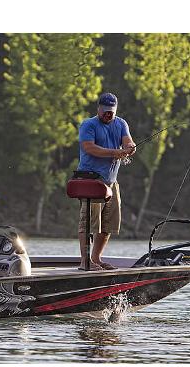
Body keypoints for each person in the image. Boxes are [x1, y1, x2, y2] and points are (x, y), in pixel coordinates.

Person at [77, 93, 136, 271]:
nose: (107, 115)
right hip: (90, 180)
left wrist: (130, 148)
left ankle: (96, 258)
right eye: (104, 111)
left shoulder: (121, 124)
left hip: (111, 182)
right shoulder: (88, 124)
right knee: (89, 222)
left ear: (115, 110)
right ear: (98, 109)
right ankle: (84, 262)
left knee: (109, 223)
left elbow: (128, 142)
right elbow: (89, 147)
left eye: (111, 112)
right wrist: (114, 152)